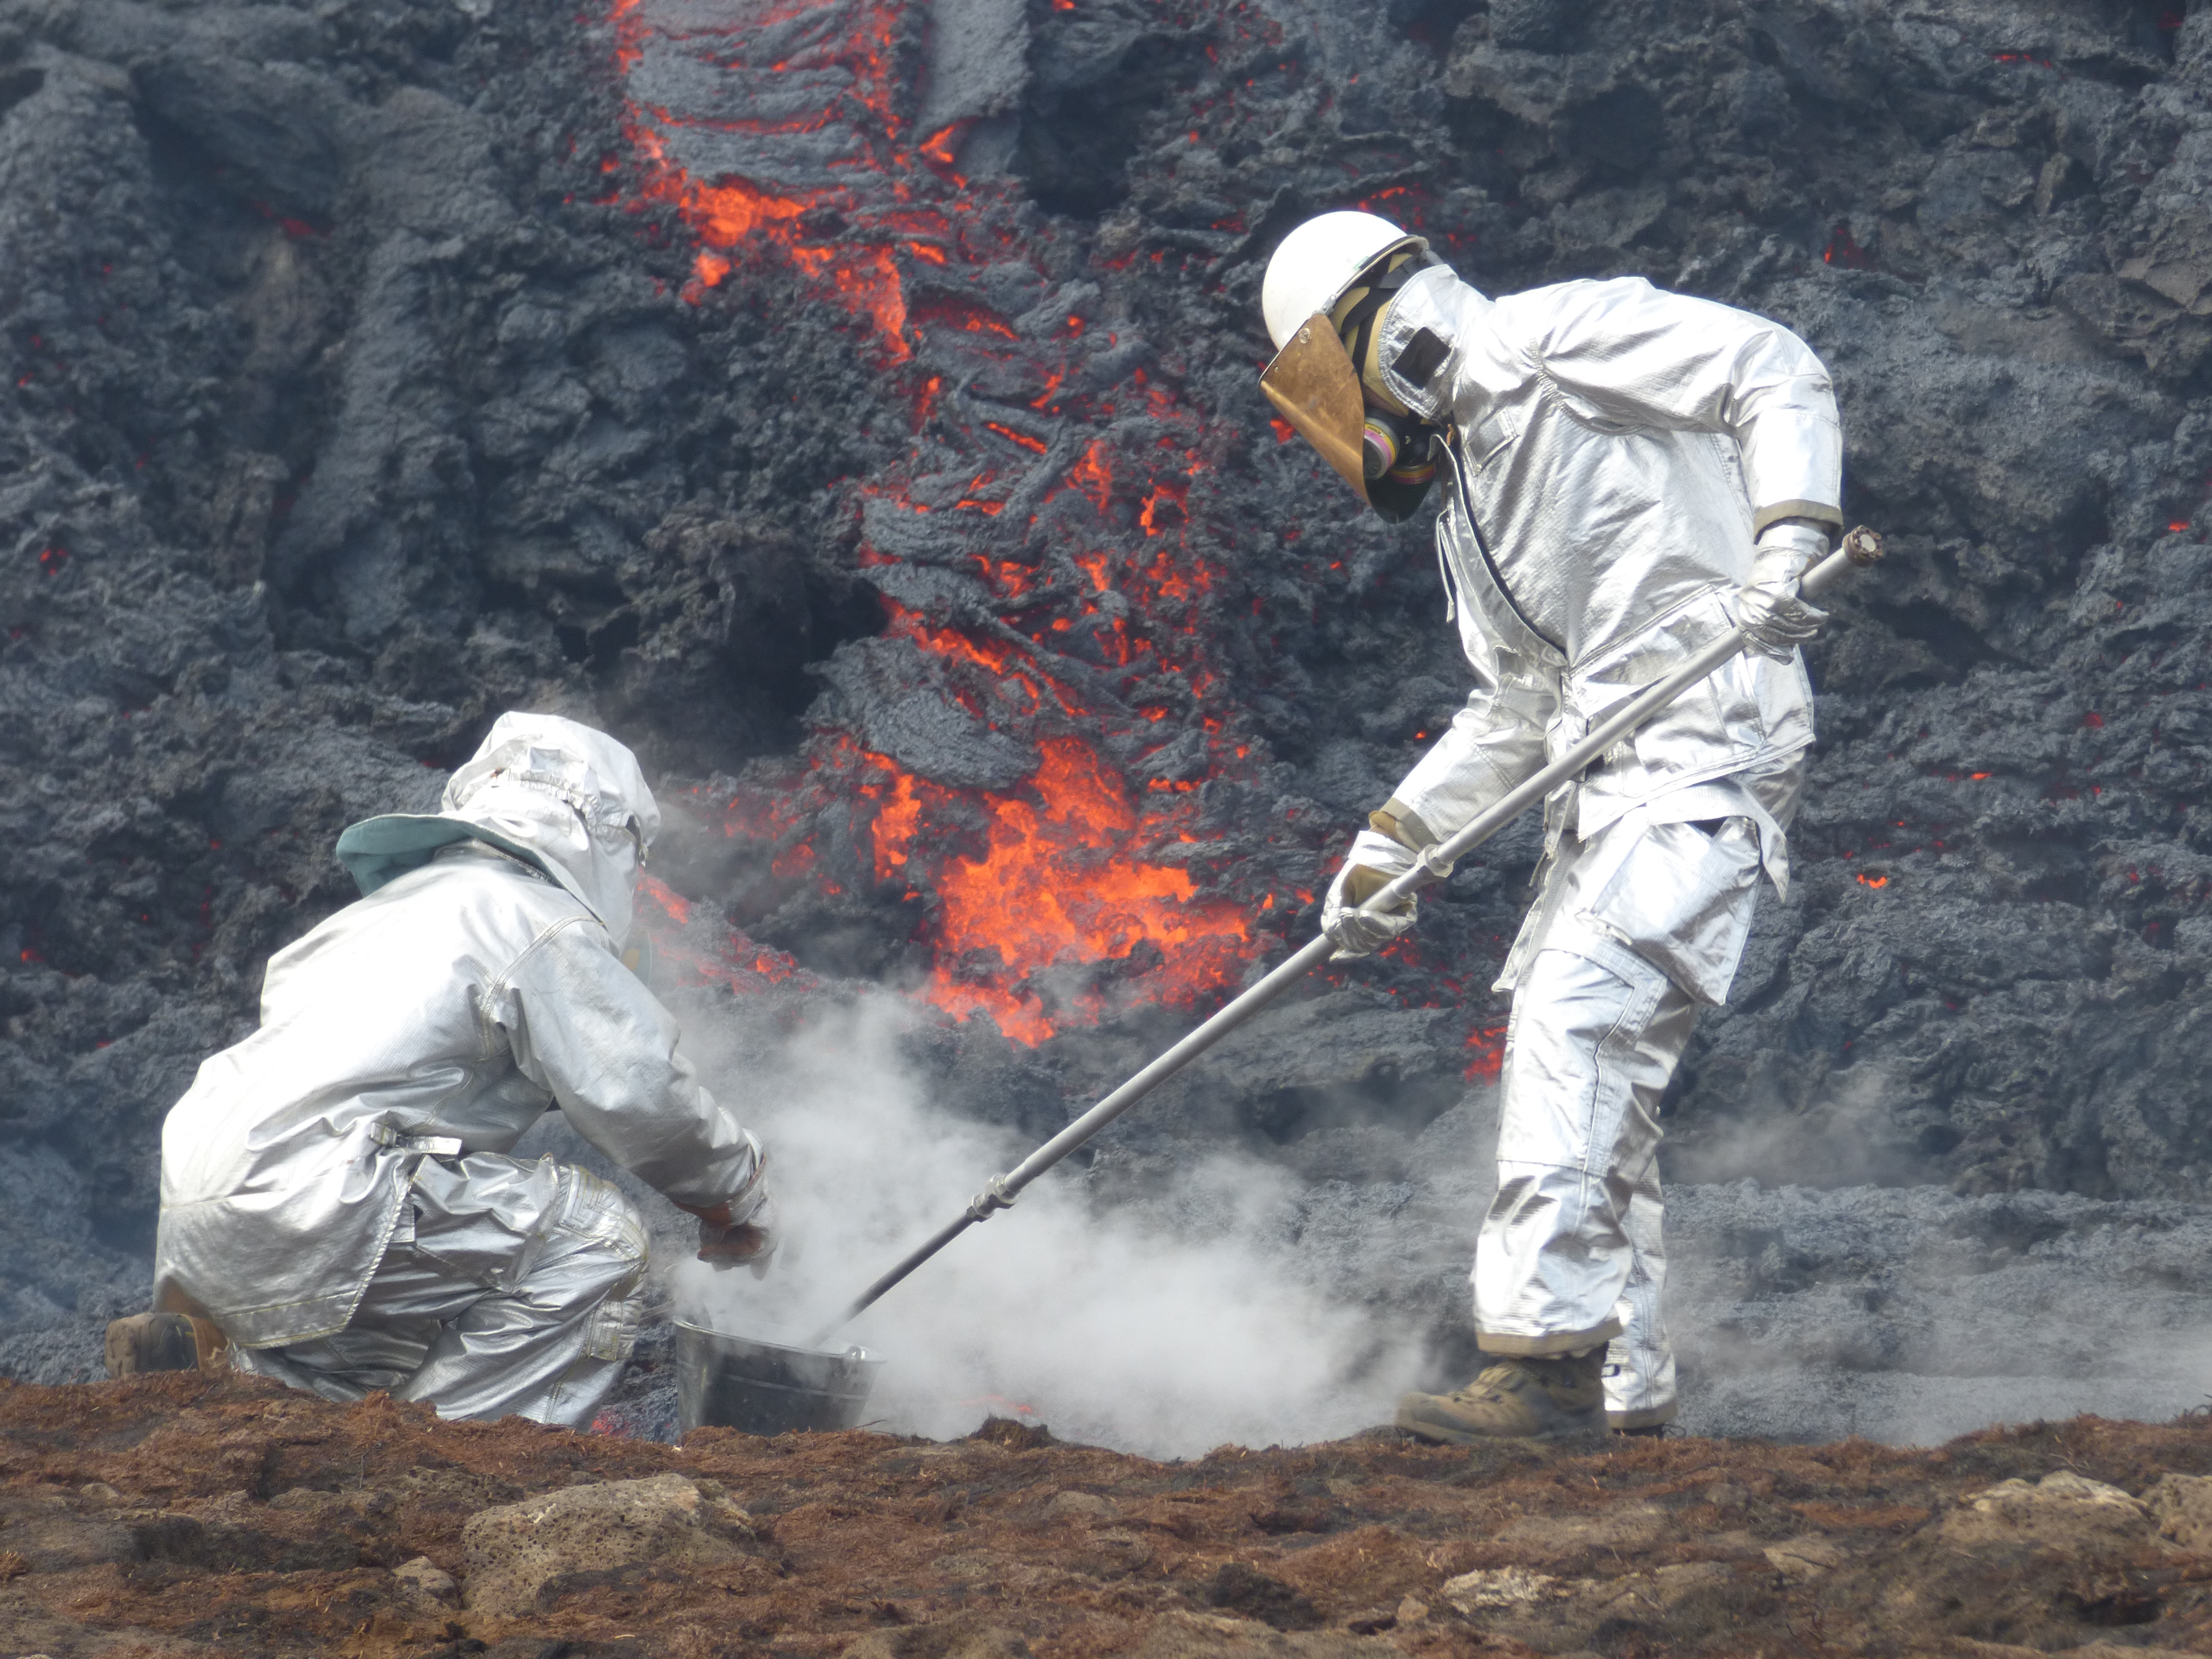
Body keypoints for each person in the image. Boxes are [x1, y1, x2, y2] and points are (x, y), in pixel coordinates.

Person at [1259, 211, 1843, 1441]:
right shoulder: (1467, 508)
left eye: (1327, 377)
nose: (1340, 420)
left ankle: (1544, 1368)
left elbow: (1770, 365)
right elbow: (1519, 703)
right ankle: (1624, 1386)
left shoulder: (1552, 339)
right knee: (1599, 1062)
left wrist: (1791, 532)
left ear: (1382, 329)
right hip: (1609, 780)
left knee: (1576, 1011)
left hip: (1709, 737)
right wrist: (1394, 843)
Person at [117, 712, 771, 1430]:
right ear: (605, 837)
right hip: (325, 1192)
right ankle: (443, 1461)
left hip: (202, 1208)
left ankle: (221, 1376)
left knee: (374, 1363)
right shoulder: (533, 915)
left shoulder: (375, 918)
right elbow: (642, 1092)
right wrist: (737, 1197)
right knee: (602, 1238)